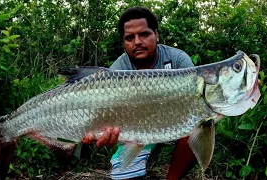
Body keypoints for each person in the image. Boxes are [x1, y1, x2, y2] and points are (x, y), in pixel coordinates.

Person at [83, 6, 197, 180]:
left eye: (144, 34)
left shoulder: (178, 59)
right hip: (137, 129)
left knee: (198, 122)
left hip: (176, 124)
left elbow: (195, 101)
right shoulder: (117, 69)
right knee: (125, 176)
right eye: (130, 37)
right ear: (123, 42)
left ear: (156, 35)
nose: (137, 42)